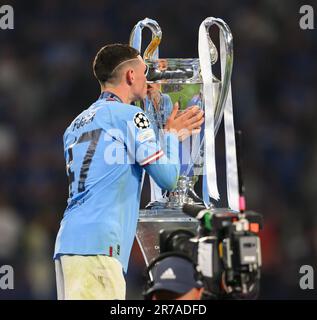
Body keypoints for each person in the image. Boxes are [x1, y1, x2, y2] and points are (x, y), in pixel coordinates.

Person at [53, 43, 204, 300]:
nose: (148, 79)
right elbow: (168, 179)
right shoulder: (130, 116)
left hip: (69, 244)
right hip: (100, 247)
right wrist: (170, 136)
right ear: (131, 76)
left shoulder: (76, 123)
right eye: (145, 71)